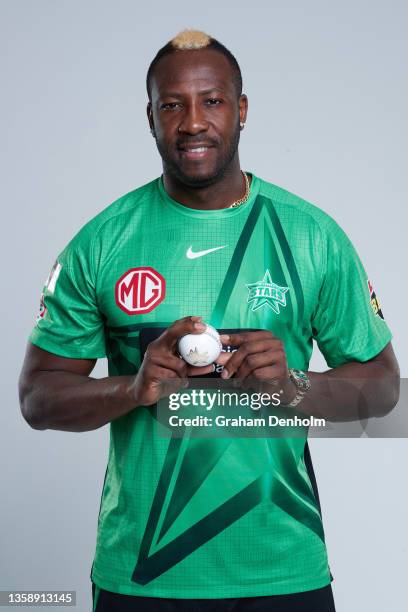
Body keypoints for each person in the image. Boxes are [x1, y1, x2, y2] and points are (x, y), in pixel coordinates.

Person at [19, 28, 399, 612]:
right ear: (150, 117)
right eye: (172, 105)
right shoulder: (102, 242)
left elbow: (382, 391)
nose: (193, 122)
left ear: (241, 109)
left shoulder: (311, 234)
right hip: (142, 577)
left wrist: (291, 387)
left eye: (212, 101)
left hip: (282, 573)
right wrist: (135, 388)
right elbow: (37, 400)